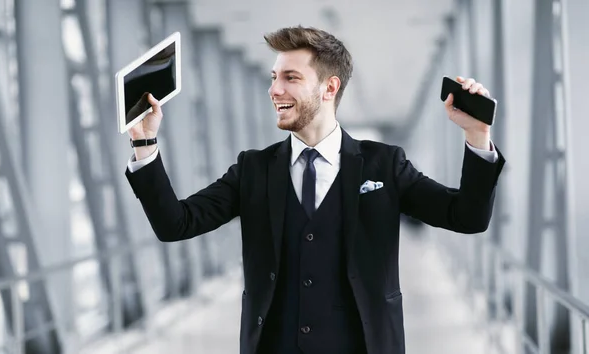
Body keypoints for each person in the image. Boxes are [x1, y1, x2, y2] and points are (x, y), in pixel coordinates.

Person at [124, 26, 505, 354]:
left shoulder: (383, 164)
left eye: (290, 77)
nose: (274, 89)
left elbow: (466, 217)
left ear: (329, 87)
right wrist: (145, 144)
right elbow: (176, 224)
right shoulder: (253, 169)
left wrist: (477, 136)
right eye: (274, 77)